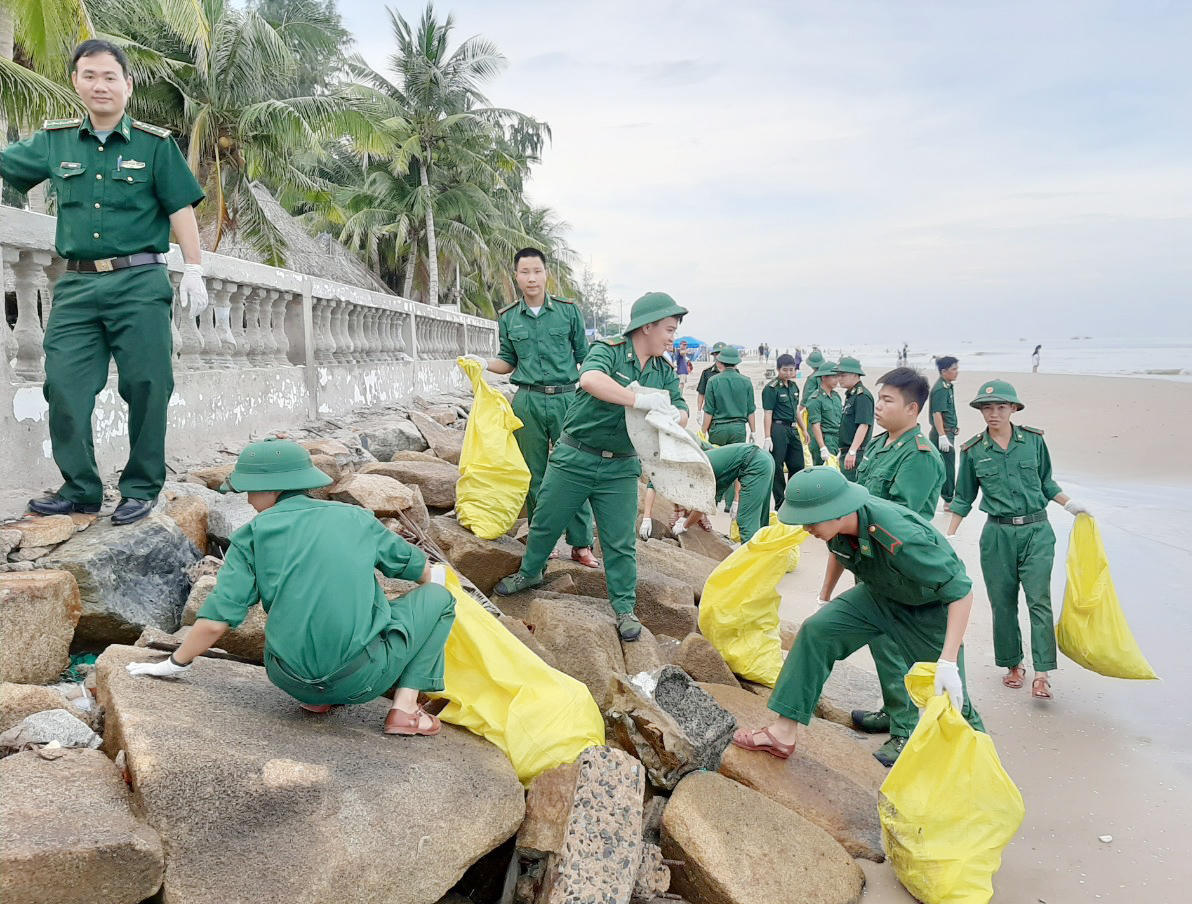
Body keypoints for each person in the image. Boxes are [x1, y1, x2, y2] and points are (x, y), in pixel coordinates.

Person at [1, 40, 207, 525]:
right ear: (77, 82)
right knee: (64, 386)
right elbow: (6, 166)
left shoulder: (155, 146)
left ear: (127, 86)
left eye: (110, 77)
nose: (100, 85)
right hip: (73, 286)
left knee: (148, 384)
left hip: (139, 281)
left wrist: (195, 268)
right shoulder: (55, 142)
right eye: (90, 75)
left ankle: (139, 487)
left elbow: (179, 208)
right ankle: (80, 489)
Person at [124, 438, 456, 736]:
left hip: (289, 680)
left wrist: (173, 664)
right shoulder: (355, 519)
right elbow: (420, 570)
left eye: (252, 491)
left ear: (274, 489)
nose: (250, 501)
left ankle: (316, 702)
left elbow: (215, 621)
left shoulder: (250, 537)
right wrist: (428, 601)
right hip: (362, 680)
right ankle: (406, 708)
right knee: (440, 599)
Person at [731, 468, 982, 760]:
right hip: (877, 595)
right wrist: (824, 598)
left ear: (837, 510)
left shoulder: (900, 536)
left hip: (926, 610)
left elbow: (961, 591)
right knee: (817, 631)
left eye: (810, 521)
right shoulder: (835, 524)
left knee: (951, 700)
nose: (805, 528)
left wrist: (948, 659)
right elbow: (839, 553)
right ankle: (782, 733)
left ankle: (981, 776)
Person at [494, 292, 689, 641]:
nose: (672, 337)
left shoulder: (663, 371)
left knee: (619, 543)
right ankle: (530, 572)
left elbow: (681, 408)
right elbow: (590, 379)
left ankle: (624, 607)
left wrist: (676, 416)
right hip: (575, 458)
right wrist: (639, 399)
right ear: (647, 326)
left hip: (621, 467)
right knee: (545, 522)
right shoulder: (608, 350)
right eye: (669, 329)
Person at [946, 380, 1090, 701]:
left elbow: (1047, 482)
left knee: (1039, 600)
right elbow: (962, 497)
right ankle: (1013, 664)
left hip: (1037, 532)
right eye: (987, 407)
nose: (993, 413)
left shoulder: (1033, 442)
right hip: (997, 535)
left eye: (1000, 407)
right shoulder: (972, 451)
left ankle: (1042, 672)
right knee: (1003, 602)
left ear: (1014, 408)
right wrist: (950, 535)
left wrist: (1070, 504)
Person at [463, 248, 598, 568]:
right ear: (516, 276)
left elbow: (586, 357)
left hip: (568, 398)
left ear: (546, 273)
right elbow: (508, 361)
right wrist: (482, 363)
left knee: (575, 470)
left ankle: (581, 544)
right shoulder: (509, 317)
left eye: (537, 271)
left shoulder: (568, 312)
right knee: (533, 473)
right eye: (525, 272)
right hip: (528, 400)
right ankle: (544, 539)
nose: (532, 278)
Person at [847, 367, 946, 764]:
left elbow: (904, 519)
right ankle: (892, 712)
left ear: (912, 408)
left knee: (892, 644)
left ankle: (906, 730)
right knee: (879, 642)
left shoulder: (919, 456)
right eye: (880, 398)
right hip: (868, 556)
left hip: (895, 564)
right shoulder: (882, 445)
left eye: (888, 400)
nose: (880, 407)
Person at [671, 442, 775, 545]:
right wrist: (681, 510)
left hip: (756, 464)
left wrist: (684, 525)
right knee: (761, 517)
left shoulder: (696, 473)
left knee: (746, 520)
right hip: (763, 458)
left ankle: (752, 558)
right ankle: (762, 551)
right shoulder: (694, 463)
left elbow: (701, 507)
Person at [762, 354, 808, 508]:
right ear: (778, 369)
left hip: (792, 428)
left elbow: (796, 411)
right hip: (778, 428)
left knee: (798, 465)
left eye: (791, 370)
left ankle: (793, 497)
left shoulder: (794, 387)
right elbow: (768, 413)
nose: (788, 373)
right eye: (785, 370)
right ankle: (780, 502)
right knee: (777, 467)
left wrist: (804, 429)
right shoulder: (771, 388)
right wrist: (768, 436)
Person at [702, 346, 756, 446]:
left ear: (721, 361)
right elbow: (750, 410)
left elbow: (709, 410)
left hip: (718, 429)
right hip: (738, 429)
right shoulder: (746, 381)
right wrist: (753, 431)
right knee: (736, 460)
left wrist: (703, 431)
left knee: (717, 459)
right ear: (736, 362)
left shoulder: (713, 381)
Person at [835, 356, 874, 482]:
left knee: (852, 490)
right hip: (848, 451)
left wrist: (852, 451)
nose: (839, 378)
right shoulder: (851, 395)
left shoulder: (862, 396)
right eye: (838, 375)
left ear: (855, 375)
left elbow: (863, 425)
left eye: (843, 375)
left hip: (857, 453)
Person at [929, 356, 960, 507]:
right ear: (943, 371)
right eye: (953, 369)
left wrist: (954, 427)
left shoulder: (947, 386)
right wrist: (942, 435)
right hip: (942, 433)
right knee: (947, 467)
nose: (956, 372)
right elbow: (937, 413)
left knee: (944, 465)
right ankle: (948, 500)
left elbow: (948, 412)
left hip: (948, 431)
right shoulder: (940, 388)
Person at [805, 361, 842, 466]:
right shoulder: (815, 399)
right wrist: (822, 447)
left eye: (837, 376)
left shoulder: (836, 396)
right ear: (823, 377)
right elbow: (815, 425)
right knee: (823, 476)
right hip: (824, 439)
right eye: (833, 377)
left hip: (836, 439)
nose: (837, 380)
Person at [695, 342, 725, 417]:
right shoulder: (707, 372)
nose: (719, 355)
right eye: (717, 353)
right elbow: (701, 392)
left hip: (728, 411)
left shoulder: (734, 372)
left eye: (722, 353)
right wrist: (699, 411)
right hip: (711, 411)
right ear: (714, 355)